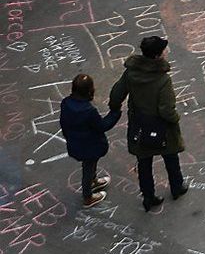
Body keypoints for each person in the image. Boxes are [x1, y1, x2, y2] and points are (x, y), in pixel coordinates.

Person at [108, 36, 188, 211]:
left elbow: (116, 94)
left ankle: (149, 197)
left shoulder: (130, 73)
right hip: (162, 127)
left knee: (144, 163)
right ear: (157, 56)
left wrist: (114, 108)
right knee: (170, 157)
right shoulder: (163, 79)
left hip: (140, 125)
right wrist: (175, 119)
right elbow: (166, 109)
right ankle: (177, 187)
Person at [59, 74, 120, 207]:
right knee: (88, 167)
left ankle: (93, 181)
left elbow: (63, 123)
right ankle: (88, 196)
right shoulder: (88, 111)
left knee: (90, 165)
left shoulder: (66, 103)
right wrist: (115, 114)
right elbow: (102, 126)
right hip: (90, 146)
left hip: (75, 143)